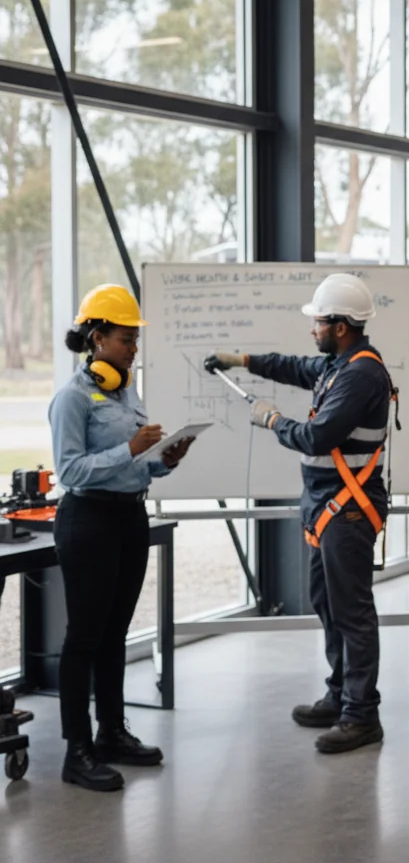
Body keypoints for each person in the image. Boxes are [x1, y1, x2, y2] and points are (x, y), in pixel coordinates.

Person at [205, 273, 395, 755]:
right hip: (328, 508)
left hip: (348, 512)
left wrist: (272, 420)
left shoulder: (360, 374)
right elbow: (293, 366)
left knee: (352, 613)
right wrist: (242, 360)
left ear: (340, 326)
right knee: (330, 605)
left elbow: (316, 437)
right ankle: (340, 695)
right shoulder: (339, 364)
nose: (312, 328)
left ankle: (361, 714)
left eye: (318, 321)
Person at [49, 284, 194, 792]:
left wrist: (163, 459)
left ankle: (111, 733)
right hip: (87, 521)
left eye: (135, 338)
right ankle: (77, 750)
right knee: (84, 639)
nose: (134, 347)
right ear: (97, 336)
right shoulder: (71, 398)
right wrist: (130, 448)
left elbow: (137, 465)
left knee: (115, 636)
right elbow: (70, 470)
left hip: (129, 520)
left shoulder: (126, 390)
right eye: (126, 338)